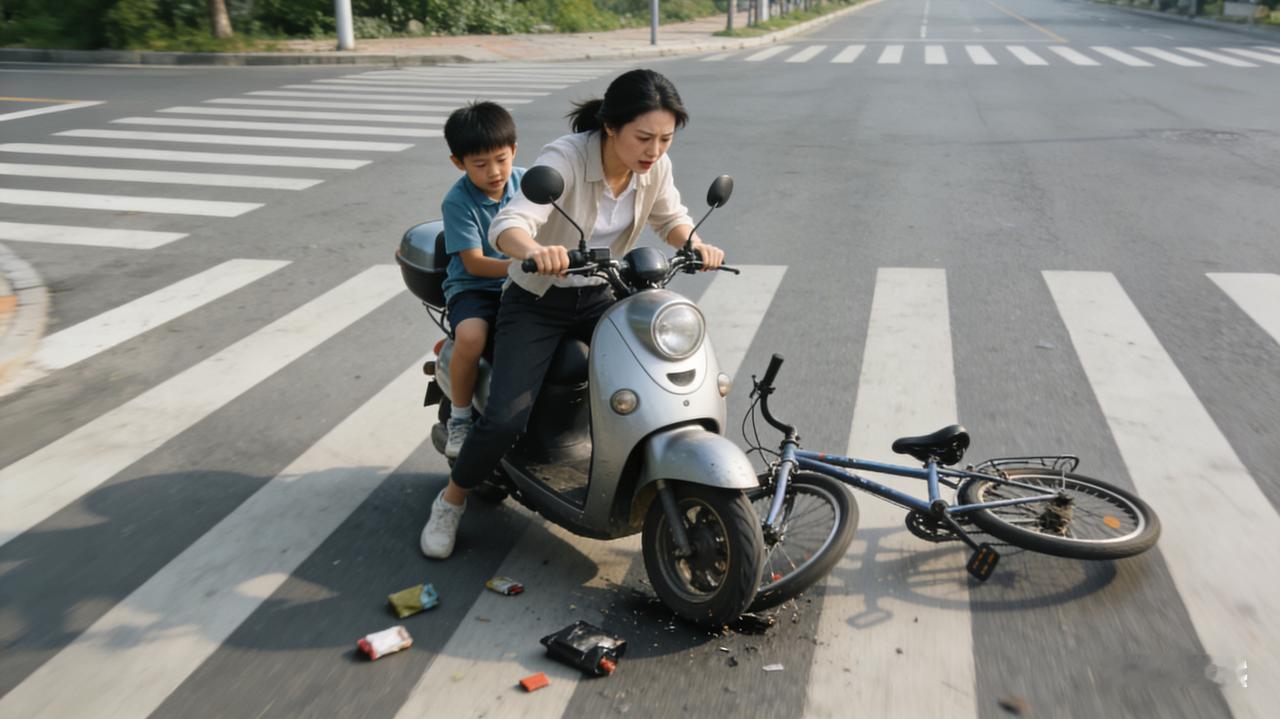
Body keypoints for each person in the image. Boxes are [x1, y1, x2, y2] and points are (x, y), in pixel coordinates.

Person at [420, 68, 725, 559]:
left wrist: (694, 242)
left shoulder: (654, 167)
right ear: (610, 126)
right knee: (505, 418)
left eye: (665, 139)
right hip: (539, 300)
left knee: (650, 382)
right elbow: (511, 222)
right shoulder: (565, 158)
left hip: (605, 292)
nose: (654, 150)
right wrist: (534, 250)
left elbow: (670, 216)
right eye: (644, 137)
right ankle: (452, 500)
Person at [439, 101, 524, 459]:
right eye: (480, 164)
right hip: (474, 289)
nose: (494, 171)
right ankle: (460, 418)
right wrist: (522, 265)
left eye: (501, 159)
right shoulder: (458, 202)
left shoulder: (528, 184)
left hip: (525, 282)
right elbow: (473, 264)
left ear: (513, 150)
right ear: (458, 163)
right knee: (472, 337)